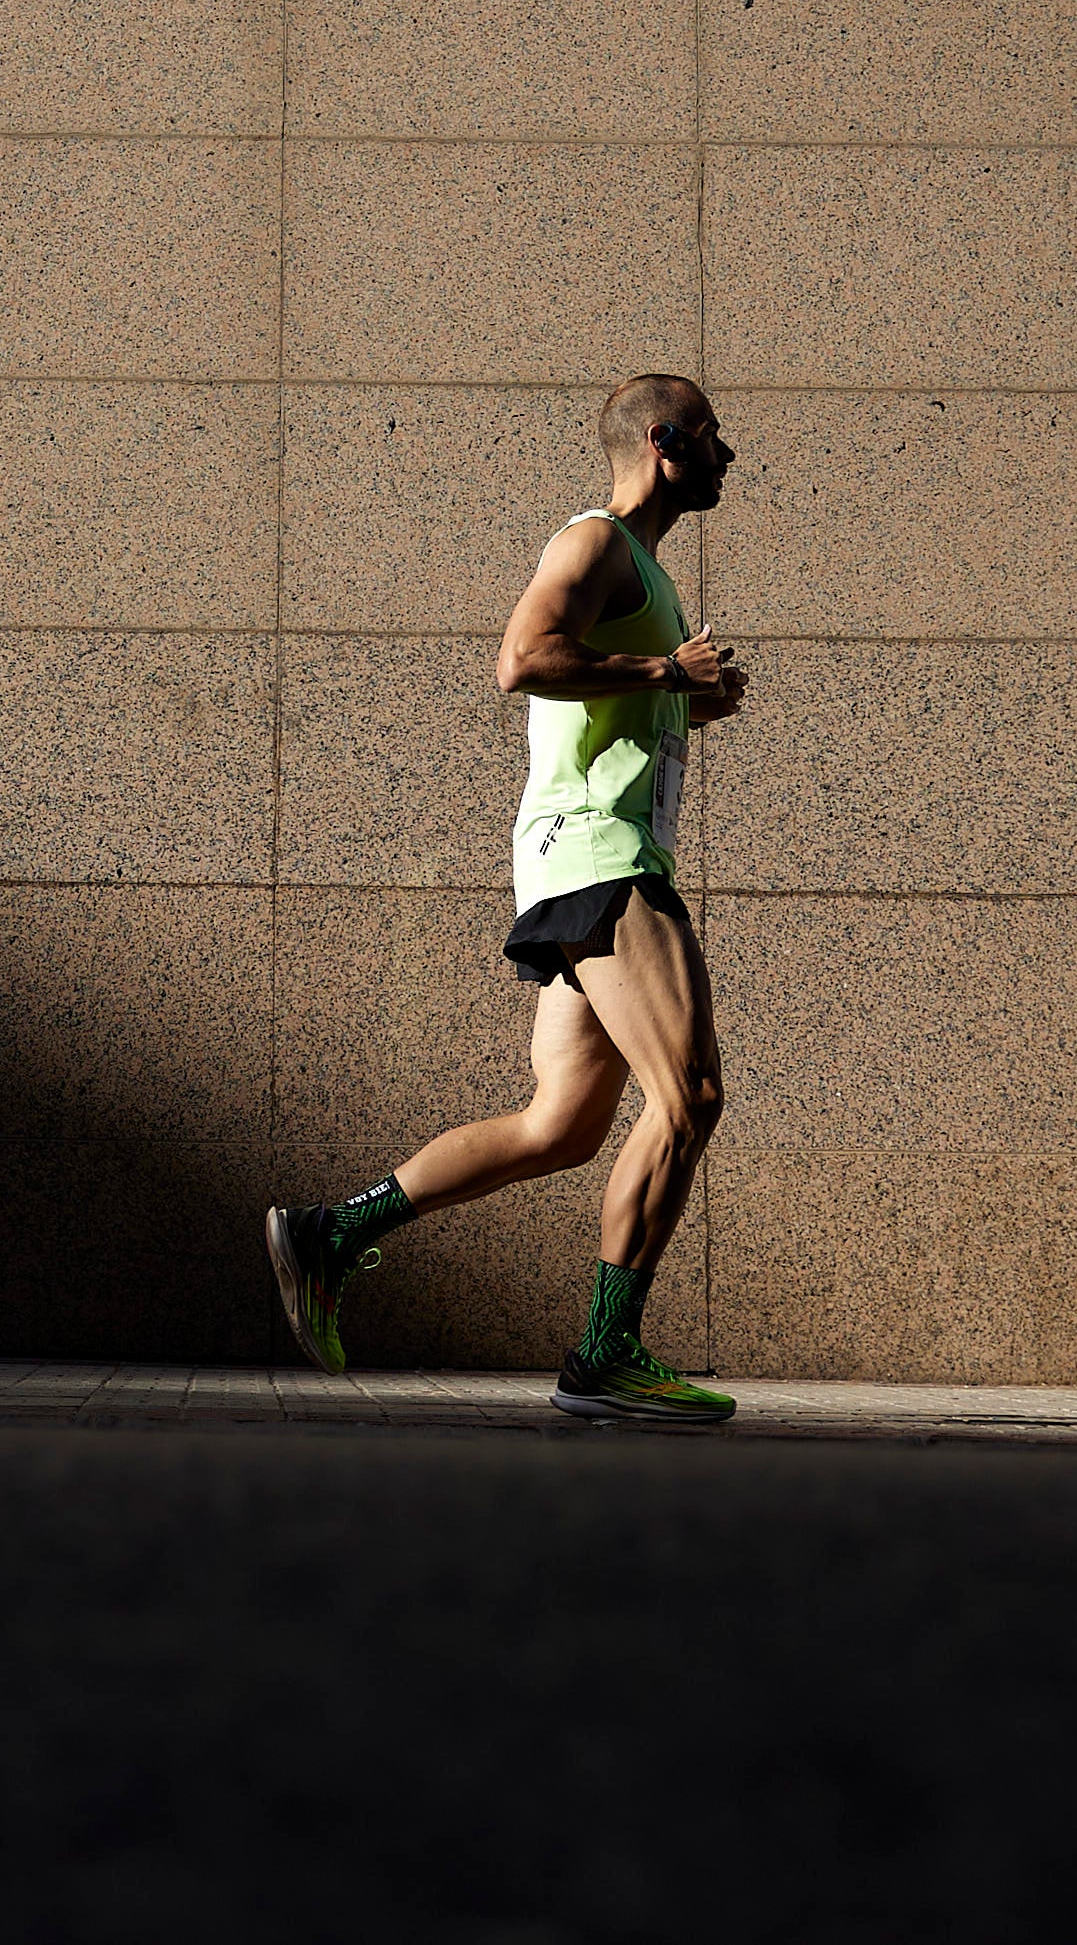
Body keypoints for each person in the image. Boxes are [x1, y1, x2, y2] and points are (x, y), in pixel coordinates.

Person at [265, 372, 750, 1424]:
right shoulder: (596, 544)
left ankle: (328, 1235)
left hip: (581, 860)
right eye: (711, 438)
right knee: (691, 1097)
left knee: (560, 1129)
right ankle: (603, 1359)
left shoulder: (647, 575)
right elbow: (521, 660)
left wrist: (685, 703)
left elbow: (604, 705)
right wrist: (669, 672)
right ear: (663, 441)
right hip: (598, 858)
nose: (727, 458)